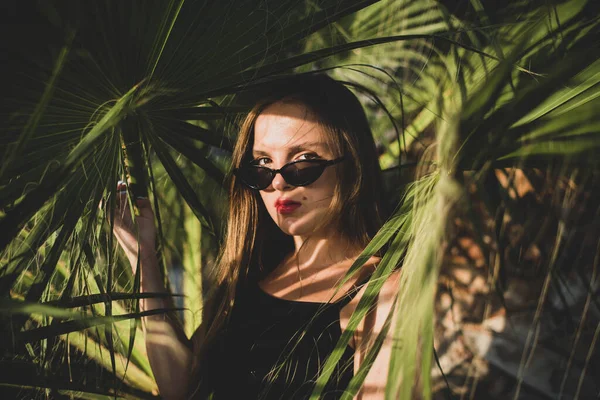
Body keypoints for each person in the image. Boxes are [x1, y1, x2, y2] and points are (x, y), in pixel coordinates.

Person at [112, 74, 401, 399]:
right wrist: (144, 256)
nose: (278, 182)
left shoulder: (381, 291)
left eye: (303, 161)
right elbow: (180, 386)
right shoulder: (249, 274)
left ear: (353, 163)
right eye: (263, 162)